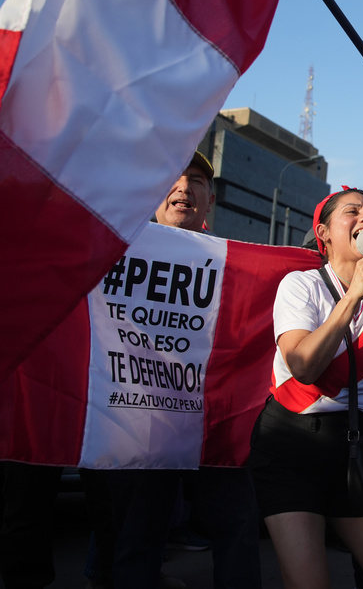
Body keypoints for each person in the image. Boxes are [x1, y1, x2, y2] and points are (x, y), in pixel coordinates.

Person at [83, 150, 263, 589]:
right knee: (137, 539)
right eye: (173, 178)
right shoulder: (114, 252)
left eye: (196, 180)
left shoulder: (231, 264)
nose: (184, 187)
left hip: (216, 422)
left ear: (210, 199)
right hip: (139, 421)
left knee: (238, 529)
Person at [247, 188, 363, 589]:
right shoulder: (301, 286)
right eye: (353, 211)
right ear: (324, 233)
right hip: (293, 445)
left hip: (362, 447)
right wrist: (355, 295)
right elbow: (304, 367)